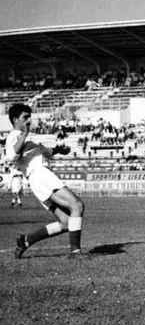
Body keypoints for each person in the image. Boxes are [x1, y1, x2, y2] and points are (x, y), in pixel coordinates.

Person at [3, 103, 85, 259]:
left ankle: (26, 240)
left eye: (29, 117)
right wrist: (24, 134)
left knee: (67, 222)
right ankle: (75, 253)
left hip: (39, 179)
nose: (29, 120)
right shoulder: (14, 136)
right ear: (15, 119)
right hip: (39, 175)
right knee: (77, 205)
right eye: (25, 117)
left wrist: (59, 150)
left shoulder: (28, 137)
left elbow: (45, 152)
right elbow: (12, 156)